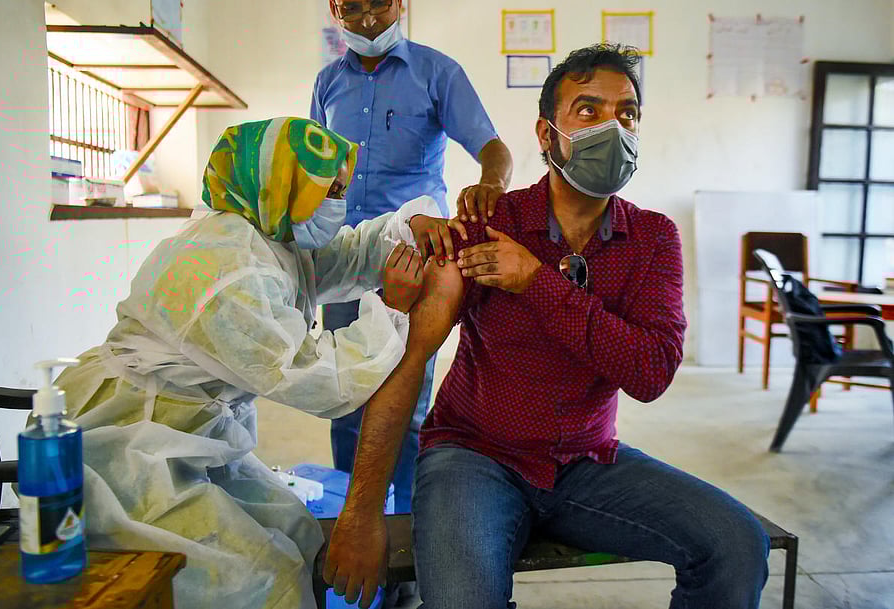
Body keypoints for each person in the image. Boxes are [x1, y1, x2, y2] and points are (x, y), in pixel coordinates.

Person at [323, 44, 771, 609]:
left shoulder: (653, 239)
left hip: (587, 463)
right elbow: (408, 363)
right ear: (545, 133)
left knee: (736, 544)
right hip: (473, 457)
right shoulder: (491, 225)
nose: (613, 127)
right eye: (588, 110)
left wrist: (536, 282)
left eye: (627, 113)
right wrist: (362, 511)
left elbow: (651, 371)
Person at [49, 117, 455, 609]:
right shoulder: (224, 272)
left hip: (193, 439)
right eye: (327, 191)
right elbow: (324, 380)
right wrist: (393, 308)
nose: (337, 204)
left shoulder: (267, 234)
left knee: (301, 536)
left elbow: (343, 256)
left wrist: (406, 231)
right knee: (265, 580)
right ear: (280, 185)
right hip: (131, 448)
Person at [311, 0, 513, 516]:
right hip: (344, 263)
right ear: (335, 9)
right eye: (351, 8)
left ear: (399, 4)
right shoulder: (327, 82)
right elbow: (313, 167)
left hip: (414, 255)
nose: (368, 20)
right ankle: (351, 519)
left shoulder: (436, 72)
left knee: (404, 399)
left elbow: (493, 148)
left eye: (380, 4)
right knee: (345, 395)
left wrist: (490, 185)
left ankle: (402, 527)